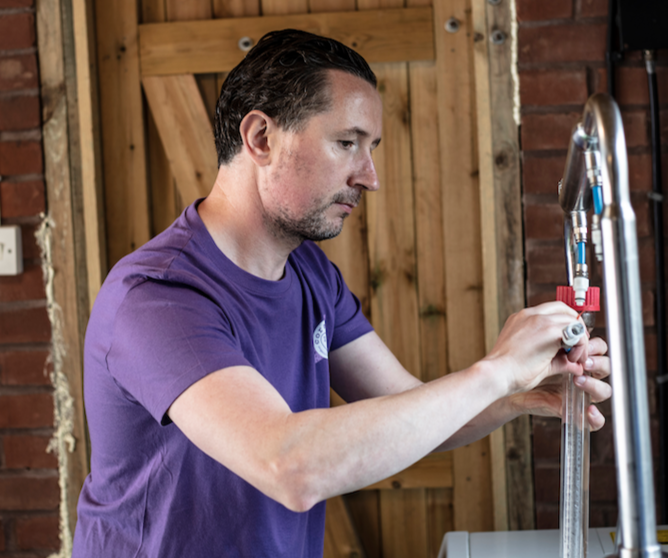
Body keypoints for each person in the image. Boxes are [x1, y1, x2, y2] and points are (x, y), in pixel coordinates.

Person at [72, 29, 610, 557]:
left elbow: (405, 407)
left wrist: (518, 396)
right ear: (260, 138)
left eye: (370, 147)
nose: (370, 176)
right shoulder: (158, 296)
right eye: (347, 143)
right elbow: (289, 466)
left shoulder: (310, 274)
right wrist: (494, 372)